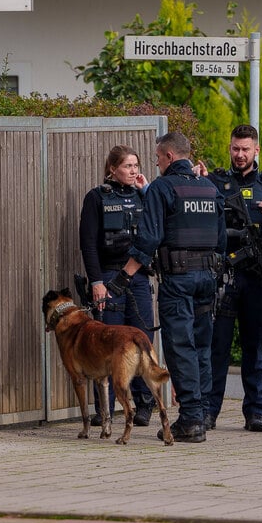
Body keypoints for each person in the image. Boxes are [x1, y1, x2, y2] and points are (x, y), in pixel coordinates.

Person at [106, 132, 226, 443]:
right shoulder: (210, 188)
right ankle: (200, 414)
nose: (156, 163)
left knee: (180, 347)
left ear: (169, 157)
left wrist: (124, 278)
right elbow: (222, 239)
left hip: (179, 280)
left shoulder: (163, 188)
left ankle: (190, 420)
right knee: (202, 346)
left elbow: (148, 239)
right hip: (208, 279)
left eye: (158, 158)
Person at [195, 125, 262, 433]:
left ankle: (255, 412)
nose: (240, 154)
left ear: (256, 150)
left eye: (245, 149)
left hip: (256, 278)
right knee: (217, 348)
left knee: (253, 348)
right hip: (223, 277)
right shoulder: (215, 181)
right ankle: (209, 412)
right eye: (235, 148)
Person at [79, 145, 156, 427]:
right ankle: (105, 409)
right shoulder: (96, 198)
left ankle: (145, 406)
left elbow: (158, 226)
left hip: (138, 278)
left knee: (142, 341)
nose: (134, 171)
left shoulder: (143, 195)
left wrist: (146, 190)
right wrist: (96, 282)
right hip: (110, 279)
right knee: (109, 345)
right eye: (128, 166)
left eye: (136, 165)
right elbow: (88, 244)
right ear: (113, 169)